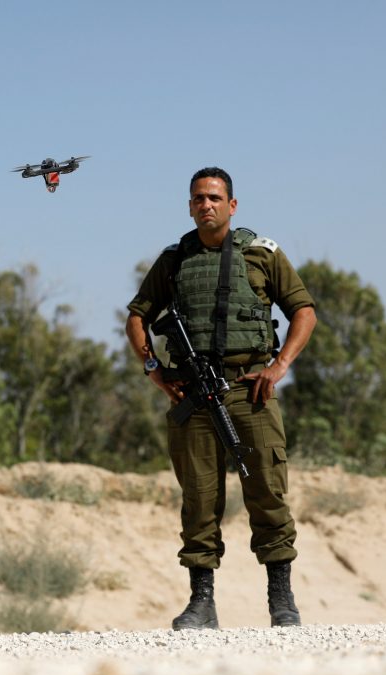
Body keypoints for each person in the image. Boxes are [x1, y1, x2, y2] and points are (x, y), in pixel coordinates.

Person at [125, 167, 317, 629]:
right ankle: (202, 602)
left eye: (214, 198)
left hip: (250, 392)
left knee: (267, 491)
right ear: (189, 206)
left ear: (232, 205)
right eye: (198, 198)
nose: (205, 205)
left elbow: (304, 311)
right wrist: (154, 370)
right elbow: (137, 316)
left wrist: (279, 366)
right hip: (193, 397)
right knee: (199, 498)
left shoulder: (261, 254)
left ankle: (281, 599)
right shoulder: (174, 260)